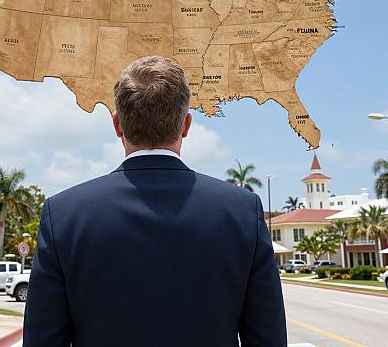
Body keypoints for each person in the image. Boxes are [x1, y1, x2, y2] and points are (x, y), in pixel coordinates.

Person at [24, 56, 287, 347]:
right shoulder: (242, 212)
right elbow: (268, 339)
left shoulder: (63, 216)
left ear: (117, 125)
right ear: (186, 124)